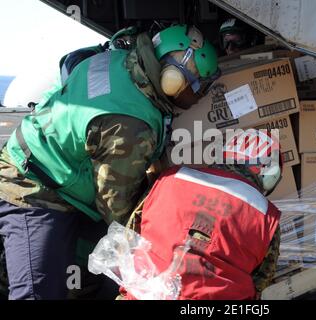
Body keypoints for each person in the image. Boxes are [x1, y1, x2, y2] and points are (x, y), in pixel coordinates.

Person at [0, 24, 219, 300]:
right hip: (32, 188)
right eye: (197, 86)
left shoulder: (118, 61)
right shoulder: (132, 122)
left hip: (60, 176)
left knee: (89, 275)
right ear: (173, 78)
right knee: (37, 292)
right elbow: (115, 206)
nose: (196, 95)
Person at [118, 129, 282, 300]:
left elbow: (129, 234)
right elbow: (261, 280)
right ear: (272, 172)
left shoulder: (171, 177)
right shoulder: (265, 215)